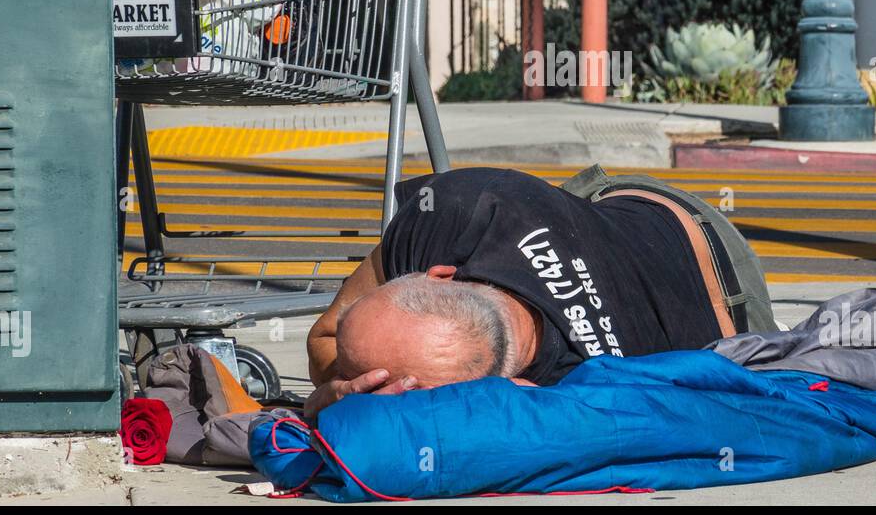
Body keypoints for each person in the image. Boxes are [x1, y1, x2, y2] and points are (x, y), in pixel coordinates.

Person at [304, 166, 777, 418]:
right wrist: (340, 389)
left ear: (441, 272)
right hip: (640, 228)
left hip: (727, 287)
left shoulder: (593, 390)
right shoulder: (453, 212)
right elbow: (323, 338)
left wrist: (328, 404)